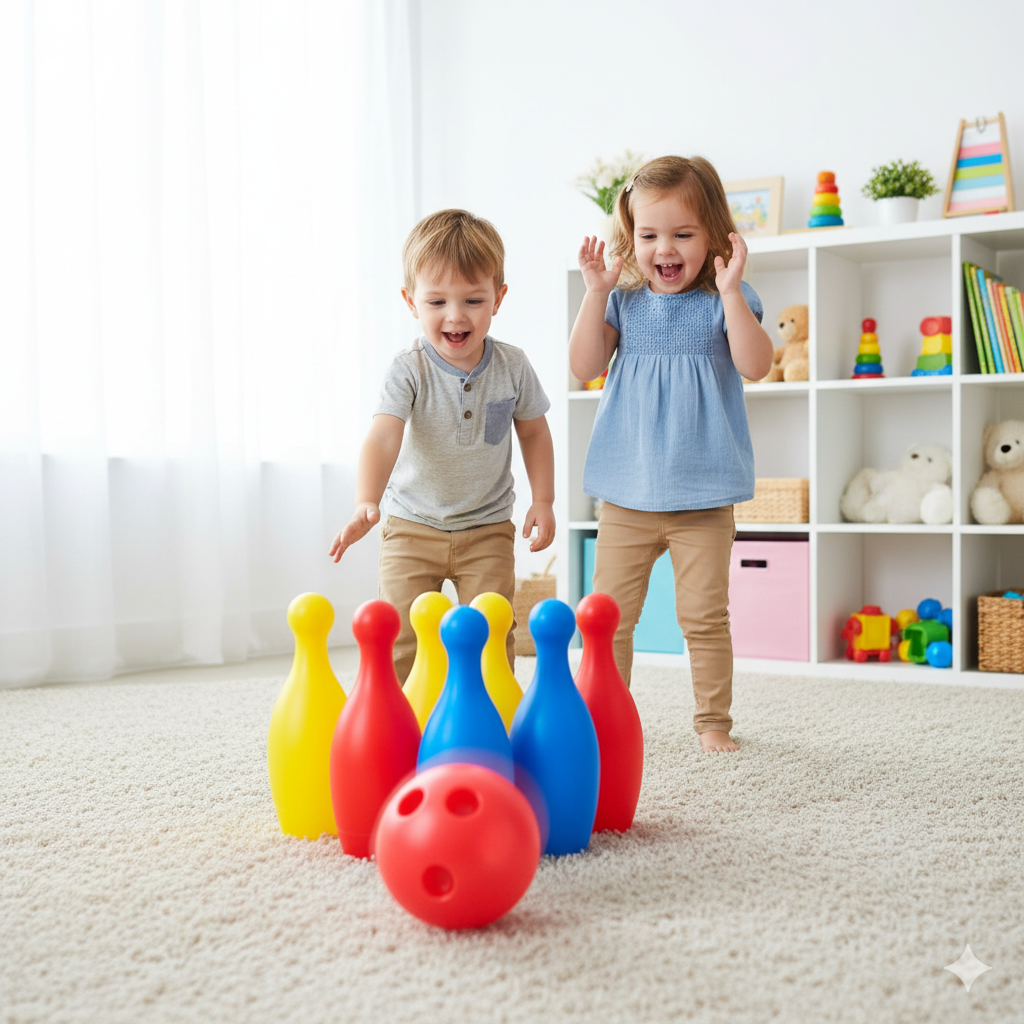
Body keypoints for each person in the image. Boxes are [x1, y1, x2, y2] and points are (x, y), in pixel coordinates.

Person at [568, 155, 774, 753]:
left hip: (703, 498)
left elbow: (756, 365)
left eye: (683, 234)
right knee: (607, 618)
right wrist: (594, 294)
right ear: (630, 237)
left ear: (714, 235)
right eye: (649, 235)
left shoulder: (727, 298)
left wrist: (731, 294)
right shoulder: (622, 299)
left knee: (704, 618)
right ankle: (602, 721)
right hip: (626, 496)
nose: (665, 249)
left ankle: (713, 723)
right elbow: (583, 365)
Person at [330, 209, 555, 681]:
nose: (455, 315)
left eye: (473, 300)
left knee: (493, 630)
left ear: (498, 298)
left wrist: (544, 500)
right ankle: (399, 713)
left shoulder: (513, 365)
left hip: (487, 528)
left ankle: (493, 711)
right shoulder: (408, 368)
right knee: (402, 636)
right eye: (437, 301)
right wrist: (366, 500)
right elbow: (384, 434)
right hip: (412, 525)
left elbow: (534, 432)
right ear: (411, 302)